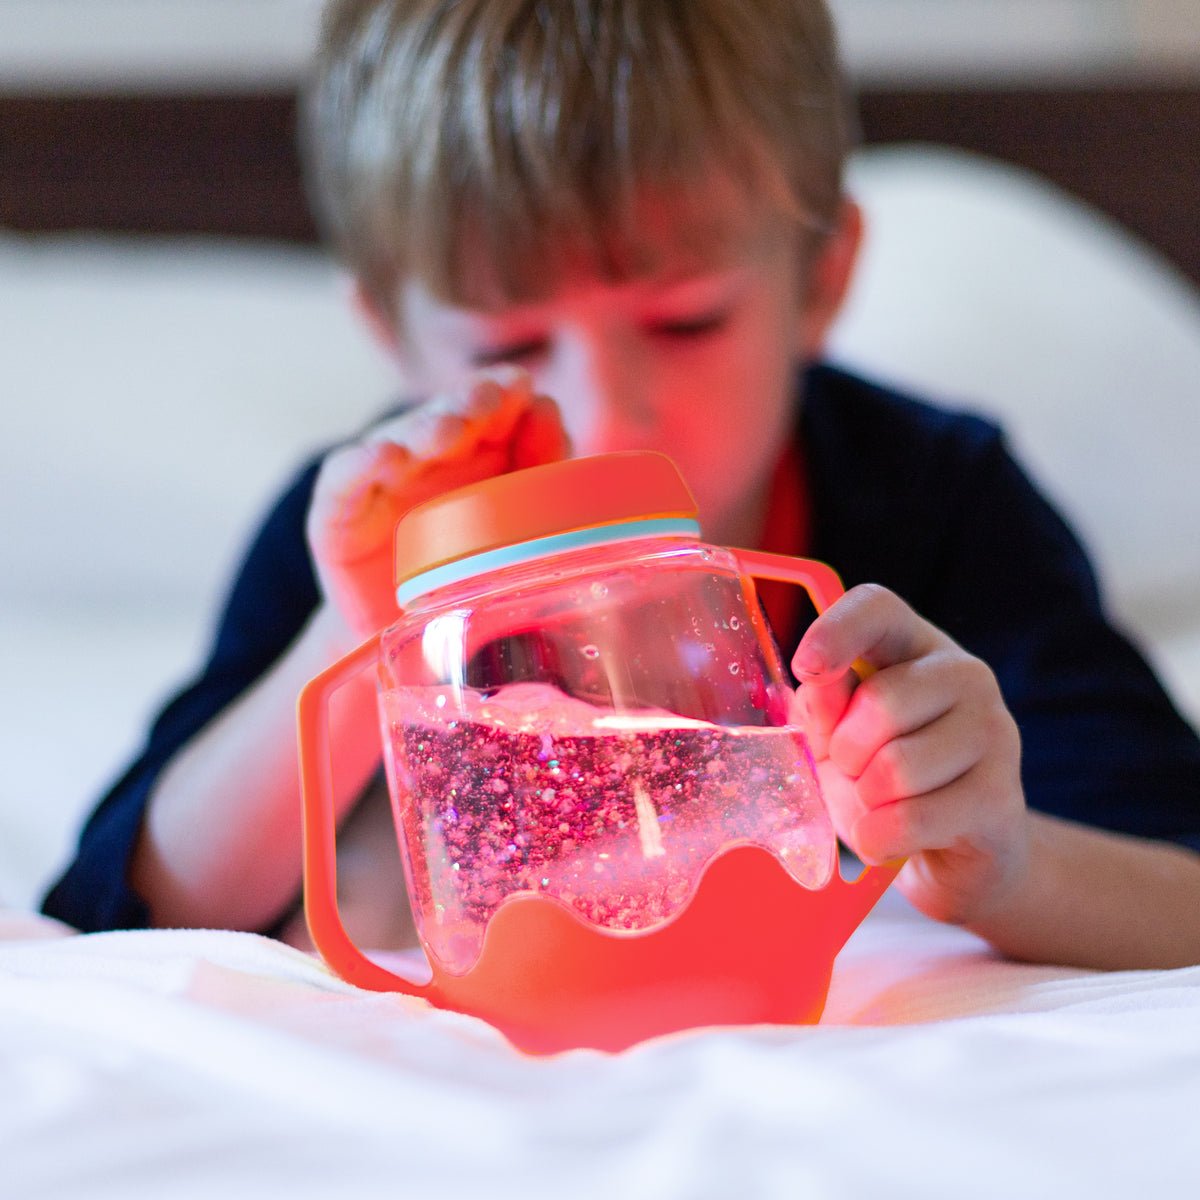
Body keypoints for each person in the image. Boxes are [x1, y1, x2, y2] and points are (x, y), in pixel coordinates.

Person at [44, 0, 1200, 968]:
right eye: (509, 344)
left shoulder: (934, 497)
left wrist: (1007, 861)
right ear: (391, 339)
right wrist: (353, 638)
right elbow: (113, 918)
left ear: (821, 281)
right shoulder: (369, 526)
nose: (604, 415)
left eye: (685, 321)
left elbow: (1179, 880)